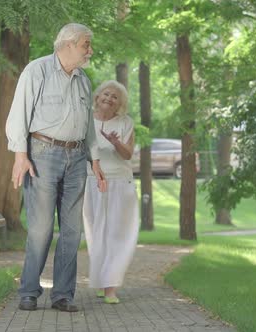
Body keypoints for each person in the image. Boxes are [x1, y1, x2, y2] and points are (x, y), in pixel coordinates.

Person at [5, 23, 106, 313]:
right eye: (86, 44)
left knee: (72, 231)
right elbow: (18, 115)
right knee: (41, 229)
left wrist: (95, 160)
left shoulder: (83, 80)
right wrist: (19, 156)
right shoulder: (36, 71)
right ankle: (29, 291)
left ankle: (62, 294)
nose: (90, 50)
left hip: (76, 158)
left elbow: (88, 127)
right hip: (42, 155)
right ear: (68, 44)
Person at [83, 80, 139, 304]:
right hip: (92, 182)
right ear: (97, 97)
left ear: (120, 104)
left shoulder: (126, 122)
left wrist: (116, 142)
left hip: (120, 183)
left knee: (117, 235)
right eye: (106, 94)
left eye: (115, 97)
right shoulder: (85, 120)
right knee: (96, 235)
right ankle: (100, 279)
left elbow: (127, 155)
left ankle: (111, 288)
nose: (109, 98)